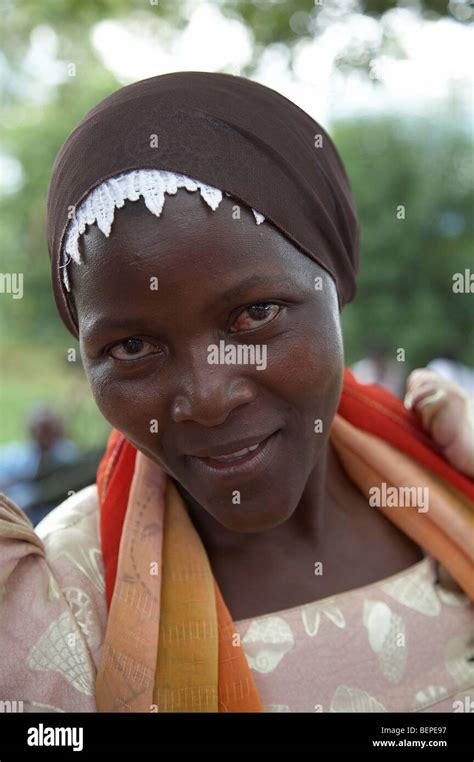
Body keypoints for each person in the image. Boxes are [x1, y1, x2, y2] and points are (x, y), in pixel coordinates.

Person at [0, 72, 472, 714]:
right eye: (133, 348)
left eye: (255, 315)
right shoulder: (62, 607)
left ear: (336, 282)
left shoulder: (447, 476)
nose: (209, 397)